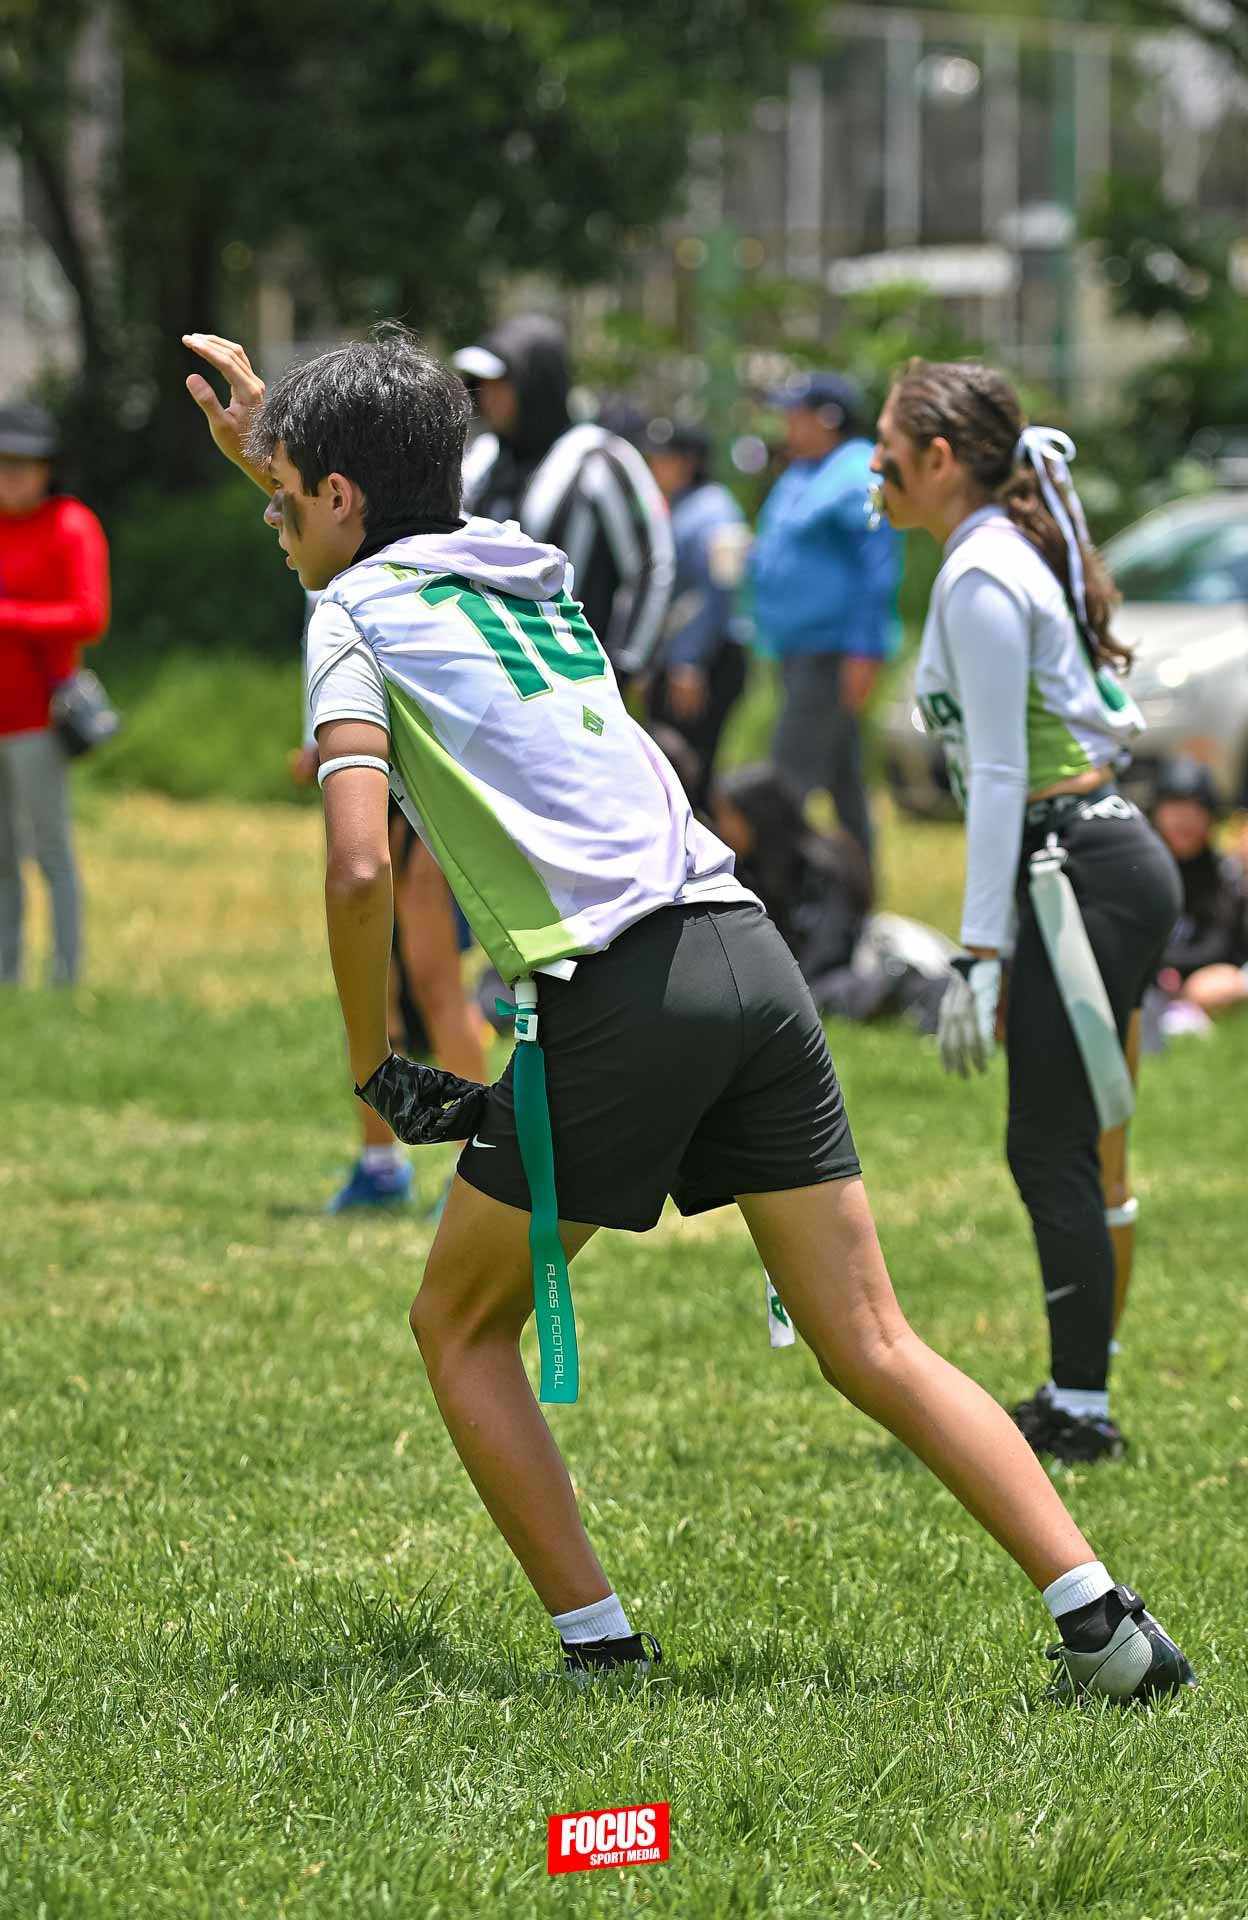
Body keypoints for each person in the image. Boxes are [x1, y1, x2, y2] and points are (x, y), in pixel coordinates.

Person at [182, 323, 1195, 1703]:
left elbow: (361, 865)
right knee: (872, 1340)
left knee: (456, 1326)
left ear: (342, 496)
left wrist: (374, 1062)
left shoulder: (348, 616)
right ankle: (1106, 1624)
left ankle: (600, 1647)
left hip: (615, 988)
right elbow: (387, 512)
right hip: (745, 950)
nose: (273, 520)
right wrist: (280, 451)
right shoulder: (517, 564)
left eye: (286, 499)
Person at [870, 358, 1183, 1464]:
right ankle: (1077, 1389)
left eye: (887, 455)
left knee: (1050, 1143)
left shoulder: (980, 573)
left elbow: (1002, 773)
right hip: (1085, 863)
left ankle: (1080, 1409)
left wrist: (978, 952)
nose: (874, 474)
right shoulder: (986, 556)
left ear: (939, 459)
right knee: (1067, 1141)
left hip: (1078, 866)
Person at [290, 595, 489, 1213]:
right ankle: (380, 1167)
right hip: (361, 775)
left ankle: (482, 1169)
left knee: (437, 983)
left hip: (421, 781)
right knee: (370, 985)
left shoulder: (393, 559)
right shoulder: (323, 568)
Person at [0, 403, 110, 986]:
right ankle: (8, 977)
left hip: (37, 719)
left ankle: (65, 977)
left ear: (47, 469)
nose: (9, 475)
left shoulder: (70, 524)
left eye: (23, 463)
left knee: (50, 849)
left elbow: (89, 615)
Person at [453, 314, 674, 683]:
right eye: (482, 385)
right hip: (490, 677)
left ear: (535, 386)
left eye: (501, 384)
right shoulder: (482, 459)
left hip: (576, 678)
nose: (488, 397)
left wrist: (626, 664)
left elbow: (652, 563)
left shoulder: (599, 459)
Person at [750, 372, 901, 862]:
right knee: (841, 776)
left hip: (831, 652)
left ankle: (772, 880)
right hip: (797, 648)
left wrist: (865, 651)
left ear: (828, 419)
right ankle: (858, 885)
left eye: (796, 416)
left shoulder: (856, 471)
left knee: (787, 778)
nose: (786, 426)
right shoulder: (803, 471)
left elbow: (875, 569)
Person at [712, 764, 954, 1033]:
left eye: (729, 816)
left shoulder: (820, 866)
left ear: (757, 817)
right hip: (805, 974)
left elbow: (829, 947)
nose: (723, 828)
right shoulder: (748, 869)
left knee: (824, 994)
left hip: (850, 964)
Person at [642, 420, 750, 808]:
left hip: (706, 661)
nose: (654, 466)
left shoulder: (716, 513)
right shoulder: (678, 505)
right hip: (679, 660)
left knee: (689, 772)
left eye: (663, 458)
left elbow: (719, 589)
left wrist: (690, 661)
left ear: (689, 462)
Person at [1146, 758, 1248, 1035]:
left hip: (1203, 974)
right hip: (1149, 974)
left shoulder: (1223, 874)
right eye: (1175, 808)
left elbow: (1218, 943)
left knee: (1218, 986)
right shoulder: (1142, 867)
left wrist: (1174, 969)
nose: (1184, 820)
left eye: (1195, 810)